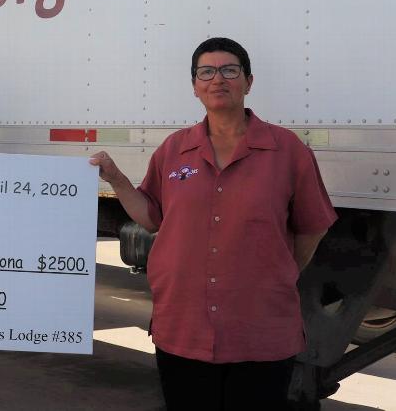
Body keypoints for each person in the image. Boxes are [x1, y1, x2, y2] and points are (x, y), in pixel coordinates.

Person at [90, 37, 336, 411]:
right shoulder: (174, 150)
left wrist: (279, 270)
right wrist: (117, 180)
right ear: (195, 87)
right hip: (182, 327)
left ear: (248, 82)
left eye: (229, 70)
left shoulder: (288, 152)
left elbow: (313, 225)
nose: (217, 79)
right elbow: (151, 216)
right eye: (206, 72)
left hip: (260, 330)